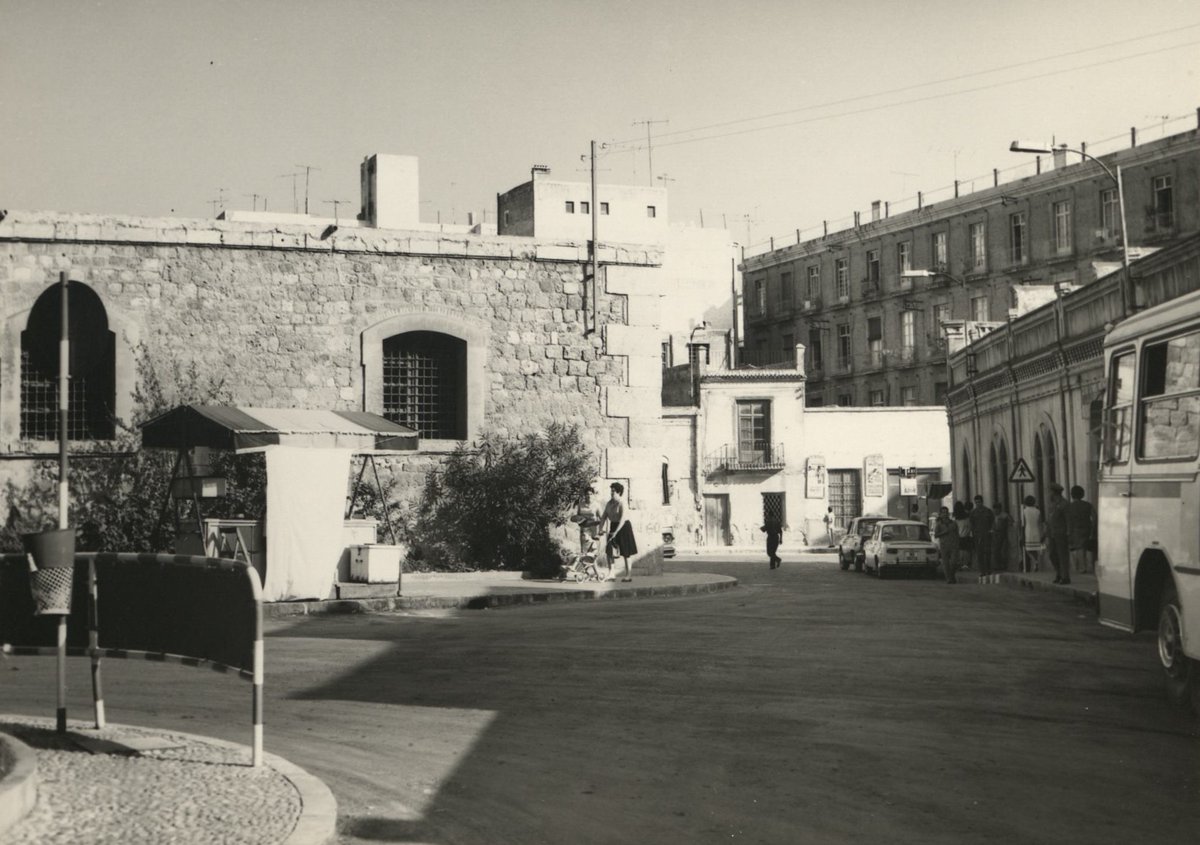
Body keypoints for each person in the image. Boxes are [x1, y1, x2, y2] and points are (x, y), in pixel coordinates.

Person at [599, 482, 638, 582]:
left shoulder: (622, 503)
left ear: (619, 492)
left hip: (624, 527)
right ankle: (611, 573)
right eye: (611, 491)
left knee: (626, 552)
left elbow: (622, 519)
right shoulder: (609, 503)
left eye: (613, 491)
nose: (611, 493)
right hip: (613, 525)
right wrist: (600, 528)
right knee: (610, 550)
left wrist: (615, 533)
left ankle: (628, 575)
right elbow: (603, 517)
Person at [1065, 485, 1097, 575]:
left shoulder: (1070, 507)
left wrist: (1068, 532)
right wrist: (1093, 527)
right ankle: (1092, 567)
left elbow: (1068, 520)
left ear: (1072, 495)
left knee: (1080, 549)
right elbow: (1094, 517)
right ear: (1082, 494)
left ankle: (1082, 568)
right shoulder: (1088, 505)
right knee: (1090, 548)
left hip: (1076, 530)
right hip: (1087, 528)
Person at [1045, 483, 1070, 585]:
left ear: (1054, 493)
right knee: (1052, 555)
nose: (1049, 494)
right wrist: (1046, 533)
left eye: (1050, 492)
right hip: (1052, 533)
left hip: (1061, 533)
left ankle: (1065, 576)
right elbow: (1049, 520)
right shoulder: (1052, 505)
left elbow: (1068, 519)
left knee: (1062, 555)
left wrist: (1068, 532)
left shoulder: (1064, 504)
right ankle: (1059, 573)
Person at [968, 495, 995, 583]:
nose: (978, 504)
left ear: (982, 502)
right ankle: (982, 571)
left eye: (979, 502)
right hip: (977, 536)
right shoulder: (973, 513)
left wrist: (991, 530)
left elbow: (992, 521)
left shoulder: (988, 511)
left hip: (987, 534)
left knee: (987, 552)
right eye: (976, 502)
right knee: (980, 554)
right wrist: (973, 534)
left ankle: (988, 569)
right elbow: (971, 524)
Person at [934, 506, 960, 584]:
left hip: (953, 545)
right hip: (944, 545)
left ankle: (952, 575)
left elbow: (957, 534)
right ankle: (949, 578)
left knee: (954, 562)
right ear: (940, 514)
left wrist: (958, 543)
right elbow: (936, 535)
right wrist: (944, 532)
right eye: (943, 513)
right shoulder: (939, 524)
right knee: (946, 563)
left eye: (946, 512)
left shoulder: (953, 523)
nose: (945, 514)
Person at [1020, 495, 1043, 572]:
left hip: (1028, 530)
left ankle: (1035, 562)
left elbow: (1023, 523)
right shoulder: (1038, 511)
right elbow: (1040, 522)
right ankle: (1036, 562)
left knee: (1028, 549)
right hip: (1036, 530)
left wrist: (1022, 533)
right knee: (1036, 548)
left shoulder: (1024, 511)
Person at [991, 502, 1012, 573]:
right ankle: (997, 565)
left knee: (1002, 551)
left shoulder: (1004, 515)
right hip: (995, 534)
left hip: (1002, 534)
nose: (995, 511)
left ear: (1000, 509)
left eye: (997, 509)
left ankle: (1002, 565)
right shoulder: (993, 516)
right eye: (994, 509)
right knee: (995, 551)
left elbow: (1011, 522)